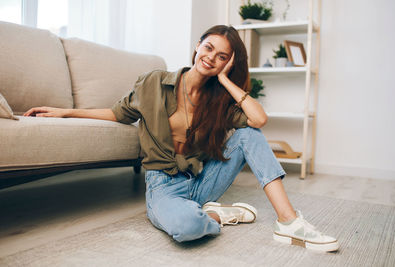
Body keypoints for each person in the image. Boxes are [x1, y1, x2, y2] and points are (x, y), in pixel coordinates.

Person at [24, 25, 339, 252]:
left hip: (203, 178)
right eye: (209, 47)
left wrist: (226, 81)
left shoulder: (218, 101)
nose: (211, 57)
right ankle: (216, 213)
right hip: (164, 186)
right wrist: (66, 112)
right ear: (198, 45)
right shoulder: (154, 84)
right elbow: (118, 113)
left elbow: (258, 119)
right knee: (186, 229)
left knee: (248, 134)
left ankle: (288, 221)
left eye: (222, 57)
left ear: (227, 64)